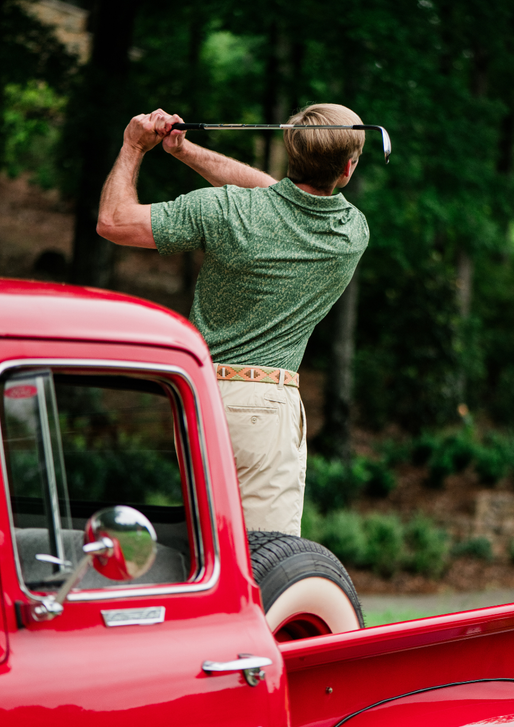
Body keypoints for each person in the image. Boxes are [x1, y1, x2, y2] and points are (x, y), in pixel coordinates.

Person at [97, 103, 369, 536]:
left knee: (206, 548)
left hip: (197, 400)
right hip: (265, 405)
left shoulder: (226, 210)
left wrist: (135, 146)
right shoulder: (350, 231)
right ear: (347, 170)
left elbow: (113, 221)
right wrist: (184, 151)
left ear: (290, 152)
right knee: (266, 559)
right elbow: (277, 198)